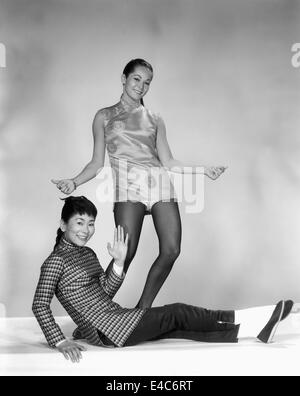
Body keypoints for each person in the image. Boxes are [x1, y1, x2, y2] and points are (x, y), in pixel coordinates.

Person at [51, 58, 227, 309]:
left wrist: (203, 171)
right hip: (128, 189)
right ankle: (94, 311)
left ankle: (141, 310)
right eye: (136, 79)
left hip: (159, 185)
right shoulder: (104, 116)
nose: (141, 86)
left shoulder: (155, 118)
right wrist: (74, 181)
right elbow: (96, 163)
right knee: (126, 253)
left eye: (147, 83)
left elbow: (168, 161)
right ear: (124, 79)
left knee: (171, 250)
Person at [32, 196, 295, 363]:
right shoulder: (55, 261)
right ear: (63, 224)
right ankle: (250, 316)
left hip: (113, 321)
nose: (86, 230)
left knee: (178, 328)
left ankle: (254, 328)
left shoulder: (87, 253)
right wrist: (60, 340)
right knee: (177, 312)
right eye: (79, 223)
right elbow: (39, 305)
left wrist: (119, 263)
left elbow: (104, 292)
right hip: (110, 329)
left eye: (90, 224)